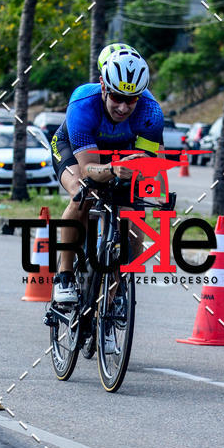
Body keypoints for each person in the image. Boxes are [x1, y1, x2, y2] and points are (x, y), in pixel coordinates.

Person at [50, 44, 164, 305]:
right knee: (82, 193)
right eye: (116, 97)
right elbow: (88, 168)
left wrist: (149, 186)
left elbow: (149, 162)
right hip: (74, 148)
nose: (123, 107)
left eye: (132, 99)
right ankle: (65, 275)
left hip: (120, 155)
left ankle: (116, 287)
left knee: (135, 219)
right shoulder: (82, 103)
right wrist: (112, 169)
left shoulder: (151, 112)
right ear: (102, 85)